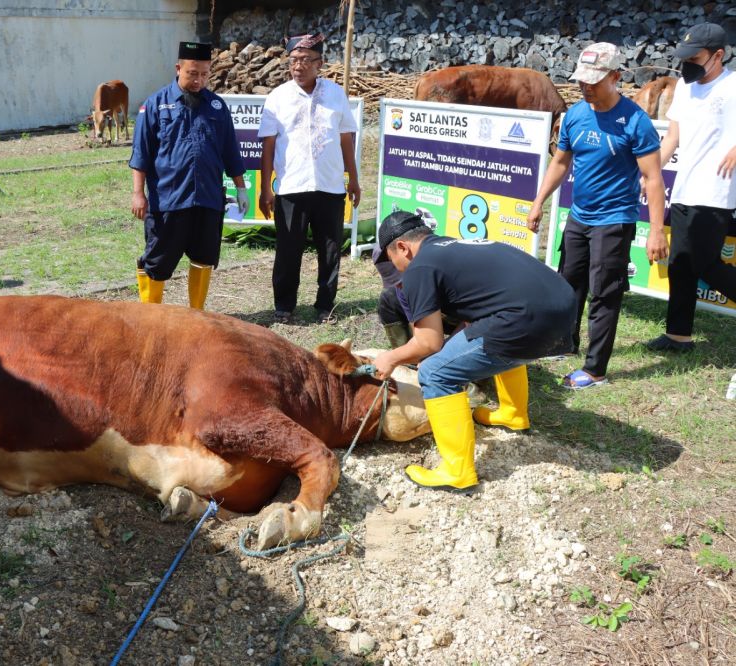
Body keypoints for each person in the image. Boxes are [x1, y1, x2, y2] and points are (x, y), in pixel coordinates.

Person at [372, 211, 576, 490]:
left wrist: (391, 357)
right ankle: (513, 414)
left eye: (389, 257)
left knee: (435, 372)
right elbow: (481, 309)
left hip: (528, 320)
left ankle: (457, 471)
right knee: (492, 334)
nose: (393, 266)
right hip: (563, 310)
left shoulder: (420, 267)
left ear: (403, 248)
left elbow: (428, 344)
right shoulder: (458, 246)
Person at [527, 43, 667, 389]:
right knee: (567, 284)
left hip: (614, 219)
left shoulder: (636, 122)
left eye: (593, 80)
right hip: (579, 217)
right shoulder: (575, 115)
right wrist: (538, 201)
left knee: (605, 293)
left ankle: (595, 370)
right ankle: (563, 344)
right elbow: (560, 162)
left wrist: (656, 231)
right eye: (581, 81)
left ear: (616, 76)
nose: (585, 86)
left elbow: (652, 179)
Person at [129, 41, 247, 310]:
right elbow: (141, 154)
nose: (199, 80)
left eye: (205, 74)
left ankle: (197, 315)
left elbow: (231, 151)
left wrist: (241, 189)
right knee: (157, 262)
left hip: (207, 199)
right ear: (178, 68)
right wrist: (138, 193)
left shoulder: (217, 107)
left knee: (204, 257)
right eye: (192, 73)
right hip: (168, 199)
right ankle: (151, 317)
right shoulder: (155, 105)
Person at [644, 23, 736, 353]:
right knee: (681, 264)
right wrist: (652, 171)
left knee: (706, 265)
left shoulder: (734, 86)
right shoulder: (685, 86)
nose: (688, 64)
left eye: (695, 57)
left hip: (717, 192)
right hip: (683, 188)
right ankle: (677, 336)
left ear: (718, 55)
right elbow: (672, 137)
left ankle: (678, 334)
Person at [258, 33, 361, 323]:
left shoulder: (336, 94)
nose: (298, 67)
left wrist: (353, 179)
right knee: (288, 250)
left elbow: (346, 139)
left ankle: (324, 305)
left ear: (320, 63)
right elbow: (267, 146)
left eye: (305, 61)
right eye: (293, 61)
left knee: (329, 251)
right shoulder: (278, 97)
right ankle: (284, 306)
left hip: (330, 186)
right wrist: (266, 189)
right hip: (292, 186)